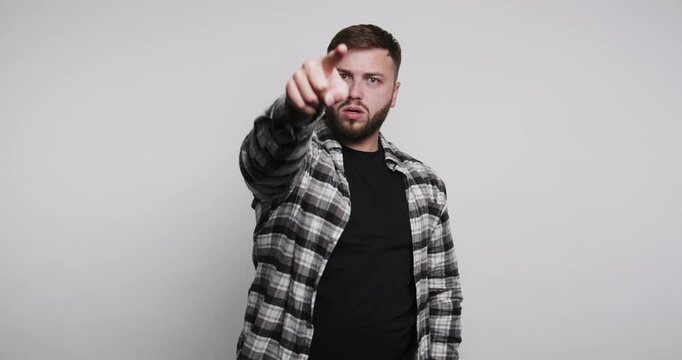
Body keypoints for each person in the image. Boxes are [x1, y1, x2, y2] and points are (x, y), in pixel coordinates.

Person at [237, 24, 462, 360]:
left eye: (373, 80)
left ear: (394, 93)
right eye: (344, 76)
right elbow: (263, 161)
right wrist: (293, 114)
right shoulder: (302, 163)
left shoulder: (424, 185)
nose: (356, 92)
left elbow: (441, 296)